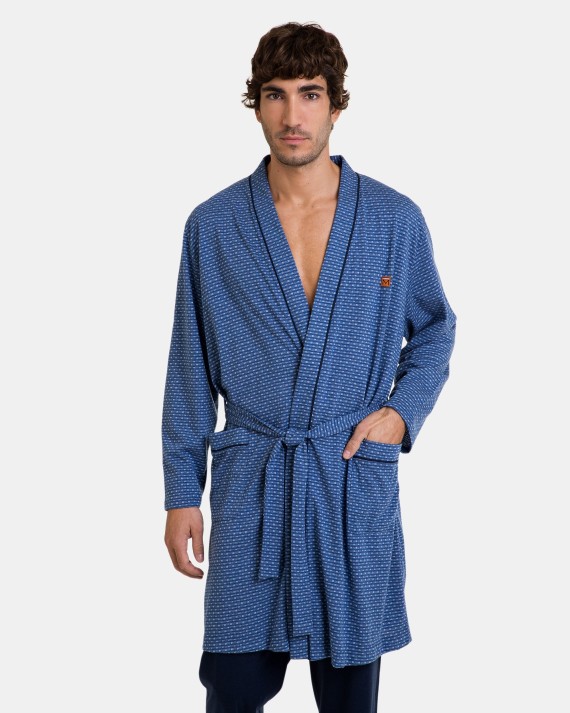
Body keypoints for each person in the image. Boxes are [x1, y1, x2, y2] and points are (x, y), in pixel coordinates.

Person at [162, 21, 456, 713]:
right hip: (254, 486)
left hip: (348, 477)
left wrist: (400, 414)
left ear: (336, 105)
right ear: (256, 104)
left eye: (310, 93)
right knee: (232, 687)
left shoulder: (391, 220)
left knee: (350, 696)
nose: (292, 115)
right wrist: (181, 492)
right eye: (275, 94)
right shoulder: (213, 226)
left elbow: (436, 329)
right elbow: (189, 368)